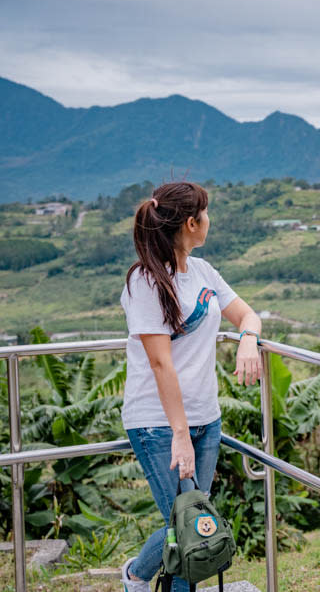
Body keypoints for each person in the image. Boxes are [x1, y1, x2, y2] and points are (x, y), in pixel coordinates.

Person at [118, 182, 262, 592]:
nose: (209, 222)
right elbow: (161, 364)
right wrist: (179, 433)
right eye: (206, 214)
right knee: (187, 529)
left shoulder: (202, 271)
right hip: (159, 423)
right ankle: (137, 577)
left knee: (190, 521)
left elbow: (247, 314)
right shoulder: (146, 282)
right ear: (190, 222)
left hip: (206, 417)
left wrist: (247, 339)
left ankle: (136, 576)